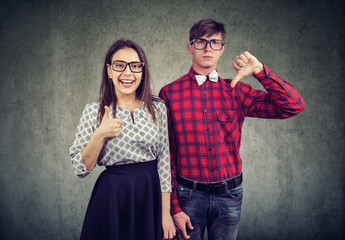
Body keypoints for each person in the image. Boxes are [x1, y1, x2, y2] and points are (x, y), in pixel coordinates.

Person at [159, 19, 305, 240]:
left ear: (222, 48)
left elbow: (293, 105)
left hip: (229, 195)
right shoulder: (170, 93)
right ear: (190, 47)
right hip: (188, 196)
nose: (208, 47)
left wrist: (259, 71)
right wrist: (174, 208)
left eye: (215, 42)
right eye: (201, 42)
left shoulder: (236, 90)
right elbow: (166, 155)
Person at [70, 39, 176, 240]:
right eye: (120, 65)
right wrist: (100, 133)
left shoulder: (158, 108)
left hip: (149, 194)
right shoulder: (94, 111)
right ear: (109, 70)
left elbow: (164, 163)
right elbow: (80, 168)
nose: (128, 73)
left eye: (135, 66)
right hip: (112, 197)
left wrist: (165, 213)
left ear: (142, 71)